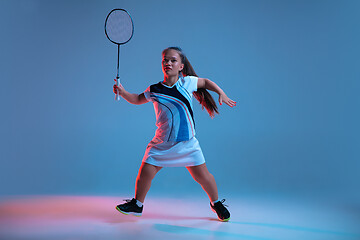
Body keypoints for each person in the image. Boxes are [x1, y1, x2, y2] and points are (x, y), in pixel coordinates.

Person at [113, 47, 236, 222]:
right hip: (161, 144)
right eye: (165, 60)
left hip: (188, 145)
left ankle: (216, 203)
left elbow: (206, 82)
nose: (168, 63)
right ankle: (137, 204)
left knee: (204, 177)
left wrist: (221, 93)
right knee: (145, 172)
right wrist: (123, 92)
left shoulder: (187, 83)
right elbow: (137, 99)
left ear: (181, 66)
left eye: (173, 60)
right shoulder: (154, 89)